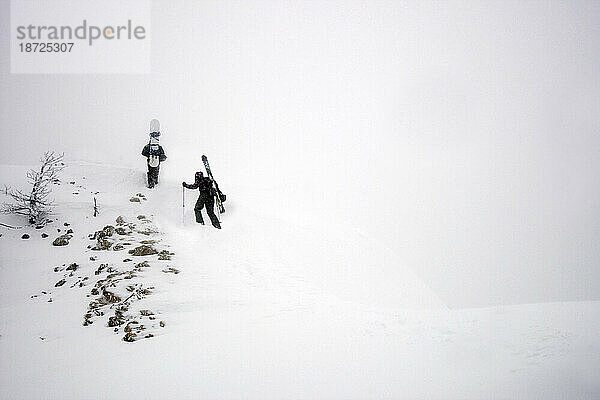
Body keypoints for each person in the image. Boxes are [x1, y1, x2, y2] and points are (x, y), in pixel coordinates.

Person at [141, 119, 167, 188]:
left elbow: (143, 153)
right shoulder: (159, 147)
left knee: (150, 171)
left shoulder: (148, 146)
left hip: (150, 161)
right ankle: (155, 181)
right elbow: (163, 156)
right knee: (155, 172)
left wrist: (149, 156)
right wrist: (159, 157)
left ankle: (151, 183)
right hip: (157, 162)